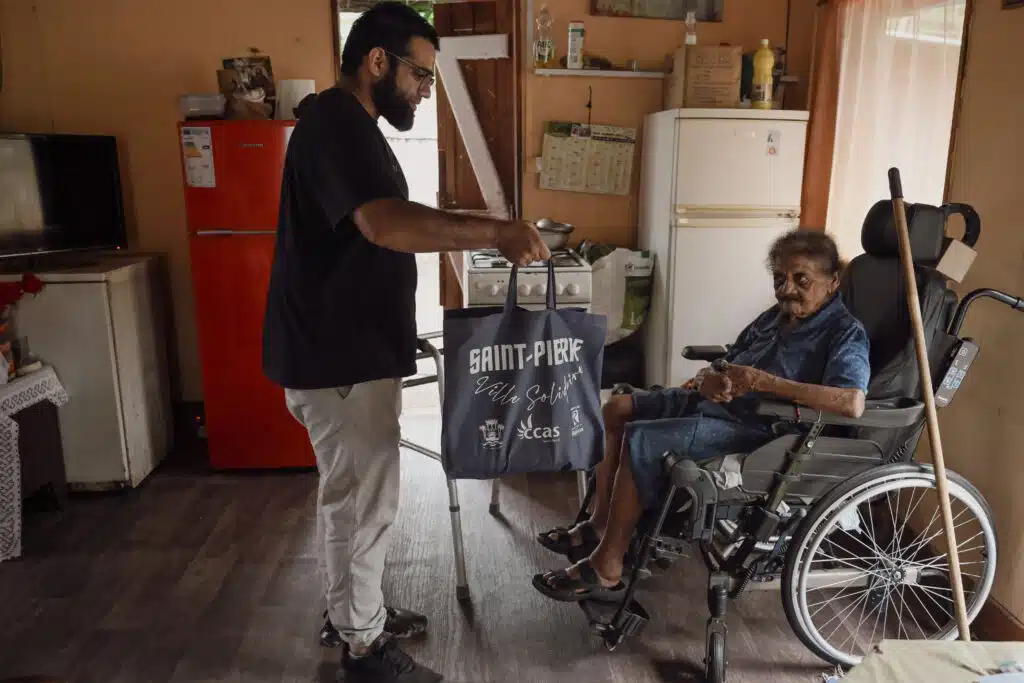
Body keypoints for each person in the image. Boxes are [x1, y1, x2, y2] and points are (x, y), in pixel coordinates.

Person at [261, 4, 549, 682]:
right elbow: (384, 225)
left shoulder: (346, 126)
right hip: (339, 358)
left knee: (348, 497)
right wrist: (496, 231)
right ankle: (364, 648)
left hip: (337, 350)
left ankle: (351, 611)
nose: (426, 89)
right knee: (367, 502)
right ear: (378, 62)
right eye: (421, 73)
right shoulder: (336, 124)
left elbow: (370, 236)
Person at [531, 230, 871, 602]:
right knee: (615, 410)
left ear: (833, 282)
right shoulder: (775, 317)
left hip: (759, 428)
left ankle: (608, 564)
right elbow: (731, 355)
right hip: (716, 403)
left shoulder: (846, 333)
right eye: (779, 278)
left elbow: (851, 402)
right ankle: (599, 524)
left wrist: (764, 381)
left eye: (801, 279)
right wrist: (711, 377)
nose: (786, 289)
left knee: (641, 437)